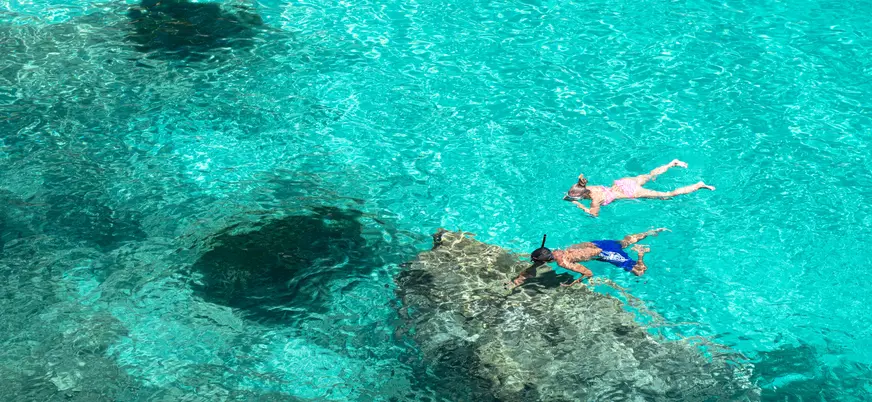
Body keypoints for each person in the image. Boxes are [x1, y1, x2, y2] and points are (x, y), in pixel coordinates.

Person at [509, 229, 667, 287]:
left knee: (639, 272)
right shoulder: (557, 252)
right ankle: (651, 232)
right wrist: (520, 278)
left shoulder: (562, 262)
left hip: (604, 254)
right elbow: (535, 265)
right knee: (625, 241)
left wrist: (573, 283)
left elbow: (589, 273)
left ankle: (641, 253)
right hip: (596, 243)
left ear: (544, 260)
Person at [564, 159, 715, 217]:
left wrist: (578, 205)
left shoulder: (595, 200)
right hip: (623, 183)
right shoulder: (588, 187)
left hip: (631, 191)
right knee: (650, 175)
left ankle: (699, 185)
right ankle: (671, 163)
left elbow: (594, 215)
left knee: (667, 194)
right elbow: (579, 186)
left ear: (581, 196)